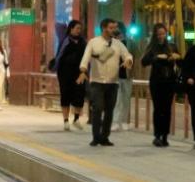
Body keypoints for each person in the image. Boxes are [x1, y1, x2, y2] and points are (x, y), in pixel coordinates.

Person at [81, 19, 132, 147]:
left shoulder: (118, 44)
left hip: (113, 82)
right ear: (103, 28)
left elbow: (127, 55)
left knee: (109, 110)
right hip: (97, 82)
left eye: (115, 28)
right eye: (111, 28)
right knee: (97, 108)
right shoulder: (93, 42)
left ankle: (105, 137)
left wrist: (128, 60)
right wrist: (83, 70)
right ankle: (95, 137)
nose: (114, 30)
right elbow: (86, 58)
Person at [141, 27, 182, 147]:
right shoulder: (152, 47)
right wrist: (157, 57)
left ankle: (165, 135)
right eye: (159, 34)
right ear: (155, 35)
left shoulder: (172, 46)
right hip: (157, 82)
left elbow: (180, 63)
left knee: (167, 109)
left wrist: (177, 57)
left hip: (170, 81)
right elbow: (144, 62)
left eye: (163, 33)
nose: (161, 36)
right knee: (158, 108)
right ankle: (157, 135)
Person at [55, 20, 87, 131]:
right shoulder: (65, 40)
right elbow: (59, 56)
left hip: (79, 73)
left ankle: (76, 118)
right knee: (65, 95)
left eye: (80, 28)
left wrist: (85, 72)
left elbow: (86, 58)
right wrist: (56, 69)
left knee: (79, 95)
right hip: (65, 73)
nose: (79, 30)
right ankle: (65, 121)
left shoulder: (83, 42)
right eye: (77, 28)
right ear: (71, 28)